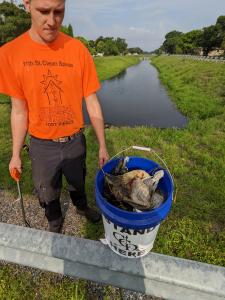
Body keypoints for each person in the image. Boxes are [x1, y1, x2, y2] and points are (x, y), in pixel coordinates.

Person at [0, 0, 109, 233]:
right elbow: (19, 111)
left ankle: (81, 206)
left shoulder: (78, 49)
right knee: (47, 190)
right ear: (27, 4)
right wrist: (15, 154)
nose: (52, 21)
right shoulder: (9, 54)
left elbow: (91, 101)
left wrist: (102, 145)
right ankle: (54, 219)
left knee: (78, 181)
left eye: (59, 12)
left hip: (74, 141)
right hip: (41, 145)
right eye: (43, 11)